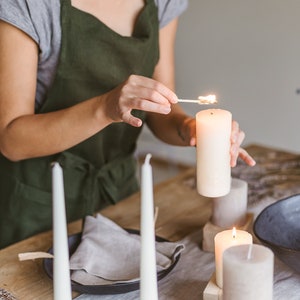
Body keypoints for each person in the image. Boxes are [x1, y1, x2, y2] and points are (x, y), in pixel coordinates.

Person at [0, 0, 255, 249]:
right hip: (36, 207)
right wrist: (105, 108)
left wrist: (189, 128)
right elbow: (12, 140)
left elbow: (162, 111)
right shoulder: (30, 6)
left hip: (118, 197)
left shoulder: (163, 4)